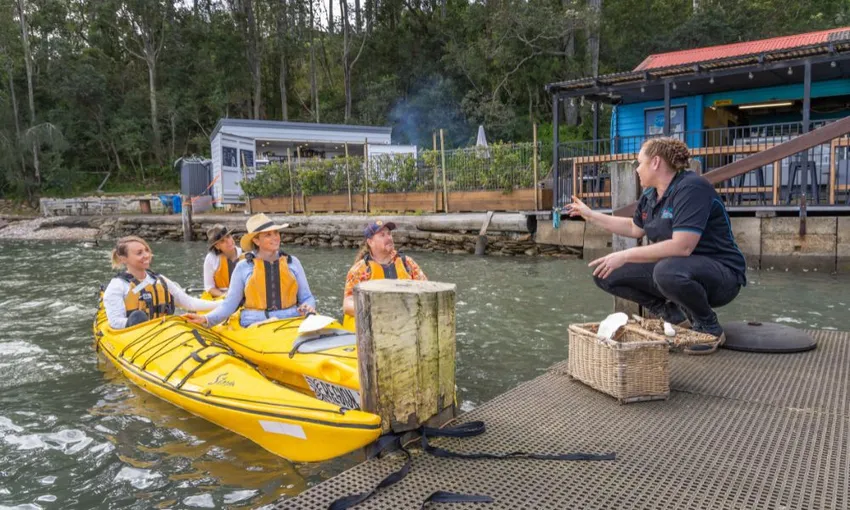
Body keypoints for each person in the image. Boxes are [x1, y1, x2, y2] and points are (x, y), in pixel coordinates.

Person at [564, 137, 747, 354]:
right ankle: (672, 315)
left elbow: (682, 247)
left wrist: (625, 255)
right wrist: (591, 215)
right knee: (606, 273)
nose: (637, 168)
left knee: (665, 270)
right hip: (677, 271)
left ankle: (709, 327)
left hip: (723, 276)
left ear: (656, 162)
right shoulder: (650, 195)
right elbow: (634, 228)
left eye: (640, 162)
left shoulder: (692, 188)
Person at [187, 213, 316, 328]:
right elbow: (230, 305)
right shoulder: (243, 267)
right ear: (256, 240)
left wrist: (309, 306)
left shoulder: (293, 262)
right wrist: (207, 319)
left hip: (290, 318)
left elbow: (307, 297)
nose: (275, 237)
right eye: (268, 235)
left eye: (276, 233)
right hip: (255, 321)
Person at [103, 236, 217, 329]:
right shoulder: (117, 286)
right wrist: (135, 322)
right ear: (123, 259)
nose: (146, 255)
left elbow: (189, 303)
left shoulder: (160, 280)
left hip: (163, 333)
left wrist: (224, 304)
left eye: (146, 250)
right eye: (139, 253)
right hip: (135, 337)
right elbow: (115, 322)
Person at [342, 220, 427, 322]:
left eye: (389, 234)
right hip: (375, 325)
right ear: (370, 242)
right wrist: (374, 310)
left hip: (406, 322)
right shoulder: (359, 270)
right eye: (382, 235)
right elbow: (347, 304)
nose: (389, 238)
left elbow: (426, 289)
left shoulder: (407, 263)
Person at [203, 224, 243, 297]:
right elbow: (209, 287)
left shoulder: (245, 254)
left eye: (228, 237)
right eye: (222, 241)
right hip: (221, 298)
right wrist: (224, 295)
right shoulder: (211, 258)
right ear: (217, 246)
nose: (228, 241)